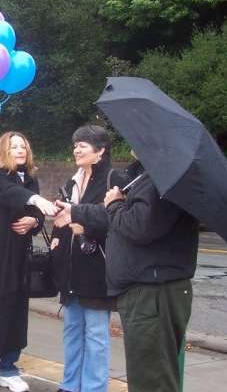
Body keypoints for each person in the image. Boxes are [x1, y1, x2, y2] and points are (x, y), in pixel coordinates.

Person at [0, 131, 57, 392]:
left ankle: (8, 367)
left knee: (15, 309)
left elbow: (34, 217)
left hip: (18, 256)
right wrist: (36, 200)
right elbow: (4, 193)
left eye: (23, 147)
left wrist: (34, 220)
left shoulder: (30, 179)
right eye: (14, 146)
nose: (20, 151)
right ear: (3, 151)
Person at [103, 157, 198, 392]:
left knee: (152, 379)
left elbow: (139, 226)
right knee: (151, 373)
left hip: (152, 294)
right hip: (150, 292)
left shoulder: (162, 177)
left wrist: (114, 204)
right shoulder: (152, 175)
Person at [50, 125, 125, 392]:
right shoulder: (73, 180)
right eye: (75, 144)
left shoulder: (114, 179)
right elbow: (67, 214)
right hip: (71, 267)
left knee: (95, 334)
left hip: (97, 268)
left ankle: (93, 388)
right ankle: (70, 385)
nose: (76, 149)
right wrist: (58, 230)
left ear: (101, 151)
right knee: (72, 332)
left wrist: (82, 221)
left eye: (83, 144)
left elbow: (115, 218)